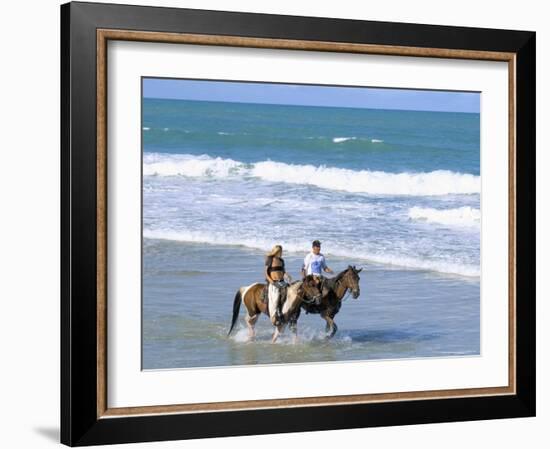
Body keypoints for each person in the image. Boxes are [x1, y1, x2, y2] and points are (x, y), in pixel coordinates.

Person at [264, 245, 292, 326]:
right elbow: (266, 273)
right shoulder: (270, 259)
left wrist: (287, 275)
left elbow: (283, 271)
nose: (281, 253)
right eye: (280, 251)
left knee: (290, 293)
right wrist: (271, 282)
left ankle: (285, 311)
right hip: (274, 282)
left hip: (281, 281)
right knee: (275, 297)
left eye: (282, 251)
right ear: (276, 251)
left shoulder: (281, 260)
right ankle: (275, 313)